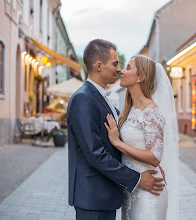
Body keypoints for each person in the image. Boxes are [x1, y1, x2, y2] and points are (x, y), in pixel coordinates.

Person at [67, 39, 165, 220]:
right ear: (98, 66)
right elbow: (95, 154)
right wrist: (136, 178)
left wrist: (153, 164)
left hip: (108, 195)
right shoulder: (84, 99)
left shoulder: (103, 99)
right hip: (93, 197)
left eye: (123, 66)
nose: (119, 69)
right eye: (115, 64)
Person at [105, 55, 180, 219]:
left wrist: (117, 142)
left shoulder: (152, 112)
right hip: (132, 188)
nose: (121, 71)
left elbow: (154, 158)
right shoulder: (129, 109)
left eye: (128, 68)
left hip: (150, 192)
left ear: (141, 77)